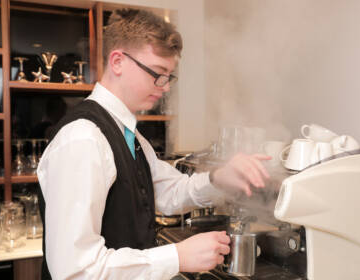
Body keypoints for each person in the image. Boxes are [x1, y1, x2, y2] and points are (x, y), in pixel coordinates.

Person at [37, 8, 270, 280]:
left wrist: (220, 179)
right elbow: (76, 271)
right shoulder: (83, 139)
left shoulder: (130, 136)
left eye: (169, 76)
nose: (165, 86)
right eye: (157, 73)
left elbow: (169, 192)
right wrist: (177, 257)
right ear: (118, 62)